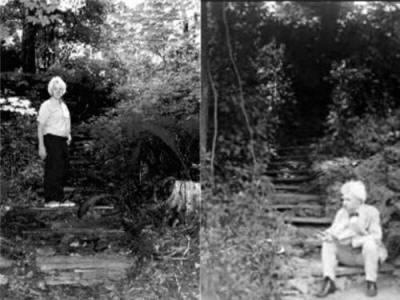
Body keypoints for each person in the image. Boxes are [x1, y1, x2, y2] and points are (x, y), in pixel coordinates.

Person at [315, 180, 387, 298]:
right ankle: (329, 281)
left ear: (358, 200)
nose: (344, 203)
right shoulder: (341, 213)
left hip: (365, 257)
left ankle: (371, 282)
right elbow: (333, 229)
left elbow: (377, 236)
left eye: (348, 200)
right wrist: (326, 234)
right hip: (347, 255)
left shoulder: (371, 212)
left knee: (370, 243)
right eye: (343, 199)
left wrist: (355, 241)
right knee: (328, 242)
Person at [37, 76, 74, 207]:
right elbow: (40, 126)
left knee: (63, 169)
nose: (58, 91)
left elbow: (65, 122)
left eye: (60, 89)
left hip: (62, 141)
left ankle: (60, 197)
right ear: (51, 90)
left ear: (63, 90)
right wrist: (41, 146)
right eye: (55, 89)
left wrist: (68, 135)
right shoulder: (46, 105)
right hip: (51, 139)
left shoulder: (63, 106)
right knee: (53, 169)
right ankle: (50, 199)